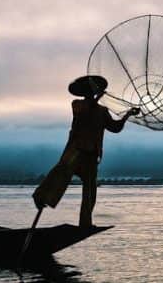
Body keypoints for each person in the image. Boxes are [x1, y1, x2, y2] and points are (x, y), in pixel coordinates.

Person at [32, 75, 139, 227]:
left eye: (93, 91)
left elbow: (115, 128)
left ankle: (85, 223)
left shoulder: (102, 110)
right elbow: (85, 112)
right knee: (61, 173)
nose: (91, 93)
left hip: (92, 154)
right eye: (89, 91)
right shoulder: (77, 104)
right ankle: (40, 197)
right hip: (76, 149)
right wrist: (96, 98)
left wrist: (128, 114)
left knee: (90, 190)